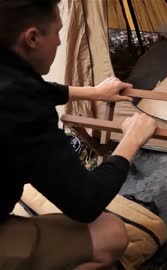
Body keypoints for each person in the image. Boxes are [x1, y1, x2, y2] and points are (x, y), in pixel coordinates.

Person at [0, 0, 157, 269]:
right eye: (59, 31)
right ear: (33, 38)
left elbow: (25, 86)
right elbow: (85, 202)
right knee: (111, 234)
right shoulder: (22, 110)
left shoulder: (12, 79)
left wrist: (93, 92)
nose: (61, 42)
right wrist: (132, 138)